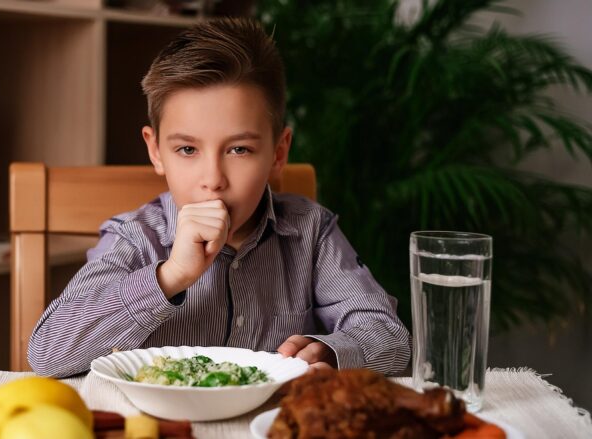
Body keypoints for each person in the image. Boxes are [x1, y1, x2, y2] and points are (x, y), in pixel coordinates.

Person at [28, 17, 410, 378]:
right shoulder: (135, 238)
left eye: (239, 149)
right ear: (156, 151)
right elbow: (46, 352)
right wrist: (169, 276)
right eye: (188, 150)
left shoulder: (311, 232)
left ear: (278, 153)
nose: (212, 180)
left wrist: (330, 350)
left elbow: (391, 339)